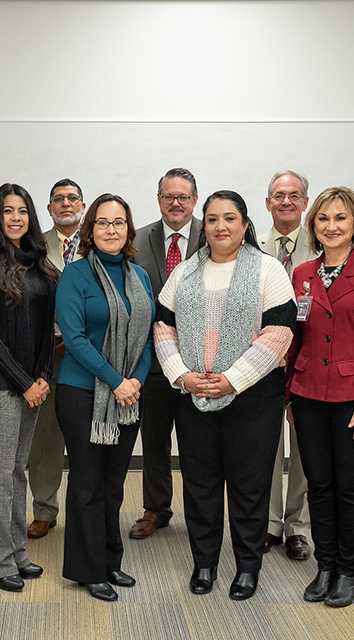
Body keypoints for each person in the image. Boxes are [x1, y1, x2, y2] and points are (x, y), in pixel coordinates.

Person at [154, 190, 295, 600]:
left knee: (250, 486)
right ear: (205, 226)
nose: (220, 227)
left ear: (245, 225)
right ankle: (204, 564)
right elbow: (164, 328)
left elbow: (280, 333)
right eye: (212, 219)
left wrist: (234, 377)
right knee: (200, 483)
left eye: (229, 218)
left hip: (253, 396)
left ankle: (248, 567)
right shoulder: (184, 272)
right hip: (193, 393)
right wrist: (182, 376)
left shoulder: (269, 270)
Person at [285, 187, 354, 607]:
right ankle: (326, 564)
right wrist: (288, 398)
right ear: (313, 225)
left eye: (340, 219)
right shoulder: (302, 274)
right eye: (323, 219)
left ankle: (350, 570)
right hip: (309, 393)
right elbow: (295, 338)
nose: (331, 226)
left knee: (350, 487)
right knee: (318, 485)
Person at [55, 193, 154, 602]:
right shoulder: (75, 275)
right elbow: (74, 338)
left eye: (118, 222)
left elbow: (148, 336)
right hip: (82, 393)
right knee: (88, 483)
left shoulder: (141, 277)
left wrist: (136, 382)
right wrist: (116, 380)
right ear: (89, 230)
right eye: (102, 222)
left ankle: (111, 560)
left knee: (114, 485)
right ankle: (87, 568)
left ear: (128, 229)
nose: (110, 230)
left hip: (128, 395)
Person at [0, 183, 59, 591]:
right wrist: (25, 383)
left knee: (19, 470)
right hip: (0, 387)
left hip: (33, 385)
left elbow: (45, 331)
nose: (16, 217)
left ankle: (18, 550)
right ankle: (0, 559)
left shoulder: (37, 262)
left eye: (22, 210)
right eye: (8, 211)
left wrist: (42, 377)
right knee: (1, 474)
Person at [130, 168, 203, 540]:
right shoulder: (137, 239)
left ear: (194, 199)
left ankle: (200, 513)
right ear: (159, 199)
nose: (176, 203)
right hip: (155, 361)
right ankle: (156, 509)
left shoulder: (215, 235)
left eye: (183, 197)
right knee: (155, 441)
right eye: (168, 197)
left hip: (202, 364)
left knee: (198, 445)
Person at [257, 170, 315, 560]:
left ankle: (299, 527)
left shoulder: (324, 244)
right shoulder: (253, 246)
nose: (286, 201)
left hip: (310, 360)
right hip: (262, 362)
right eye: (279, 195)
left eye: (294, 195)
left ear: (305, 202)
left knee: (306, 447)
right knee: (265, 447)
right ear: (267, 203)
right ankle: (270, 523)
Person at [27, 178, 84, 539]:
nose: (66, 203)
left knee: (84, 436)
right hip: (46, 354)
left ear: (83, 204)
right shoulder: (34, 246)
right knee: (44, 437)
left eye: (72, 198)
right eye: (58, 199)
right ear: (48, 209)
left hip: (87, 356)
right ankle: (44, 509)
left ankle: (84, 507)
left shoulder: (99, 244)